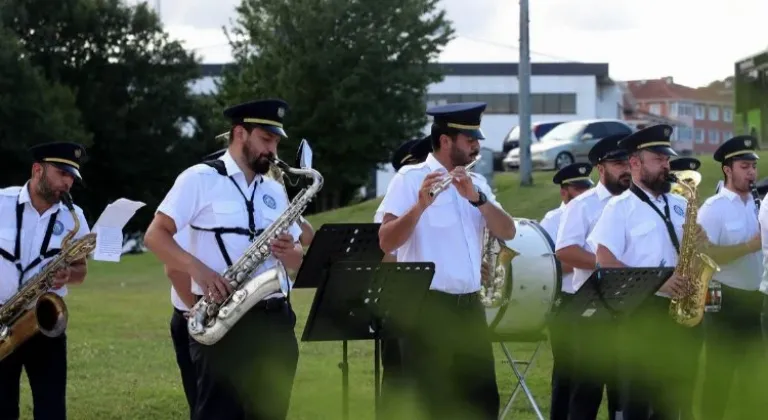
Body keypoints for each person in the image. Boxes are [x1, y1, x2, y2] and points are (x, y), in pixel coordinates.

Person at [144, 99, 305, 420]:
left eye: (275, 142)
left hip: (274, 322)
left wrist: (293, 253)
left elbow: (299, 257)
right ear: (240, 133)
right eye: (266, 139)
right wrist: (197, 269)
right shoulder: (199, 178)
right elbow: (155, 235)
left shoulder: (274, 188)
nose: (272, 150)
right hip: (223, 319)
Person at [377, 102, 516, 419]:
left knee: (481, 402)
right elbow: (386, 240)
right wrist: (420, 207)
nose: (477, 146)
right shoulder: (410, 179)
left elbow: (508, 230)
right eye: (470, 140)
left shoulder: (477, 184)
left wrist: (478, 200)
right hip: (426, 308)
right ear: (445, 141)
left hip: (469, 308)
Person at [587, 124, 702, 420]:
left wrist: (701, 246)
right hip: (641, 312)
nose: (667, 166)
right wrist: (659, 282)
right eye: (659, 160)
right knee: (638, 402)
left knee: (675, 401)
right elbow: (605, 260)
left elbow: (694, 252)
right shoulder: (619, 207)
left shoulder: (680, 203)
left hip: (681, 312)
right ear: (635, 163)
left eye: (667, 159)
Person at [0, 142, 91, 420]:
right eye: (62, 174)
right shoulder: (1, 203)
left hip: (45, 325)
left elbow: (81, 271)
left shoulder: (74, 217)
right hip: (3, 320)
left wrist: (69, 275)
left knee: (51, 410)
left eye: (72, 178)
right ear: (37, 169)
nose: (67, 183)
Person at [552, 134, 630, 420]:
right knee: (586, 392)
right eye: (618, 163)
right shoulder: (582, 205)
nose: (626, 169)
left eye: (628, 162)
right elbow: (565, 251)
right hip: (593, 309)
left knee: (625, 391)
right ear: (601, 168)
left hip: (633, 307)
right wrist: (606, 266)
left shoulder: (637, 203)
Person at [697, 135, 765, 420]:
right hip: (724, 298)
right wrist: (751, 245)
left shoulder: (757, 204)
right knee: (718, 375)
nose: (751, 172)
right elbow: (703, 254)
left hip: (754, 299)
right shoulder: (714, 208)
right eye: (744, 166)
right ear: (728, 169)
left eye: (753, 167)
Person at [164, 147, 227, 418]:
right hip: (194, 317)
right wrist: (200, 313)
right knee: (203, 405)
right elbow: (172, 269)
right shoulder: (195, 208)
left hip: (220, 317)